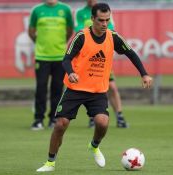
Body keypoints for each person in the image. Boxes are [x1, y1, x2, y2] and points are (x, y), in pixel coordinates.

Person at [36, 3, 152, 172]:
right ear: (92, 19)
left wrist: (144, 74)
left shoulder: (114, 37)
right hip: (75, 89)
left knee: (102, 123)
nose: (104, 24)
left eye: (107, 20)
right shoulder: (81, 36)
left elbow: (131, 53)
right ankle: (50, 163)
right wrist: (71, 73)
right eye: (101, 20)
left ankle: (94, 145)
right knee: (60, 124)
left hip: (97, 91)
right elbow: (66, 59)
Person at [75, 0, 128, 128]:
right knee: (89, 88)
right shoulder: (80, 12)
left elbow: (110, 30)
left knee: (112, 87)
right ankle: (93, 117)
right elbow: (78, 31)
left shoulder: (105, 12)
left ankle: (119, 116)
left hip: (102, 58)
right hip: (86, 59)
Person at [28, 0, 74, 130]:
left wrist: (60, 44)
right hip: (41, 56)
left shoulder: (65, 9)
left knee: (57, 88)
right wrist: (40, 44)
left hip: (60, 57)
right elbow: (31, 31)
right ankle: (38, 119)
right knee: (41, 88)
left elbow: (69, 30)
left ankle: (54, 118)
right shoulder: (37, 10)